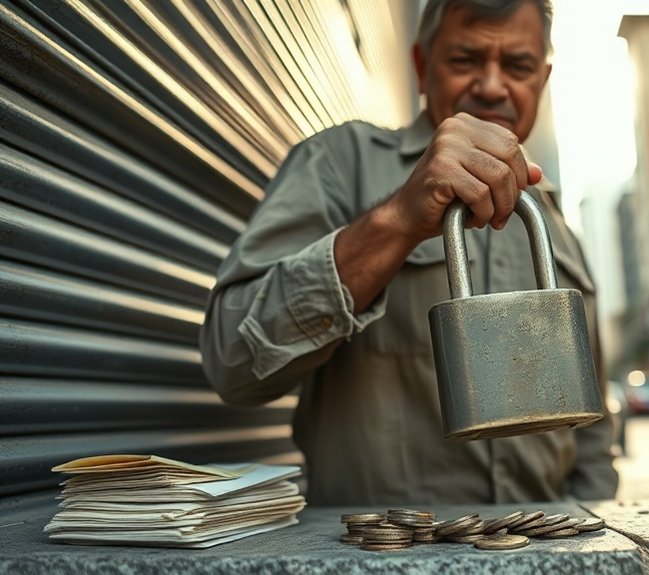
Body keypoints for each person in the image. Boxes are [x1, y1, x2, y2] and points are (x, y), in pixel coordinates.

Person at [200, 0, 618, 506]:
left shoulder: (554, 225)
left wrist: (587, 528)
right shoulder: (340, 164)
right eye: (465, 59)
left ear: (542, 79)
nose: (492, 86)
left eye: (518, 65)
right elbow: (232, 362)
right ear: (422, 66)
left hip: (543, 540)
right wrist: (397, 220)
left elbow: (593, 437)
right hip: (388, 543)